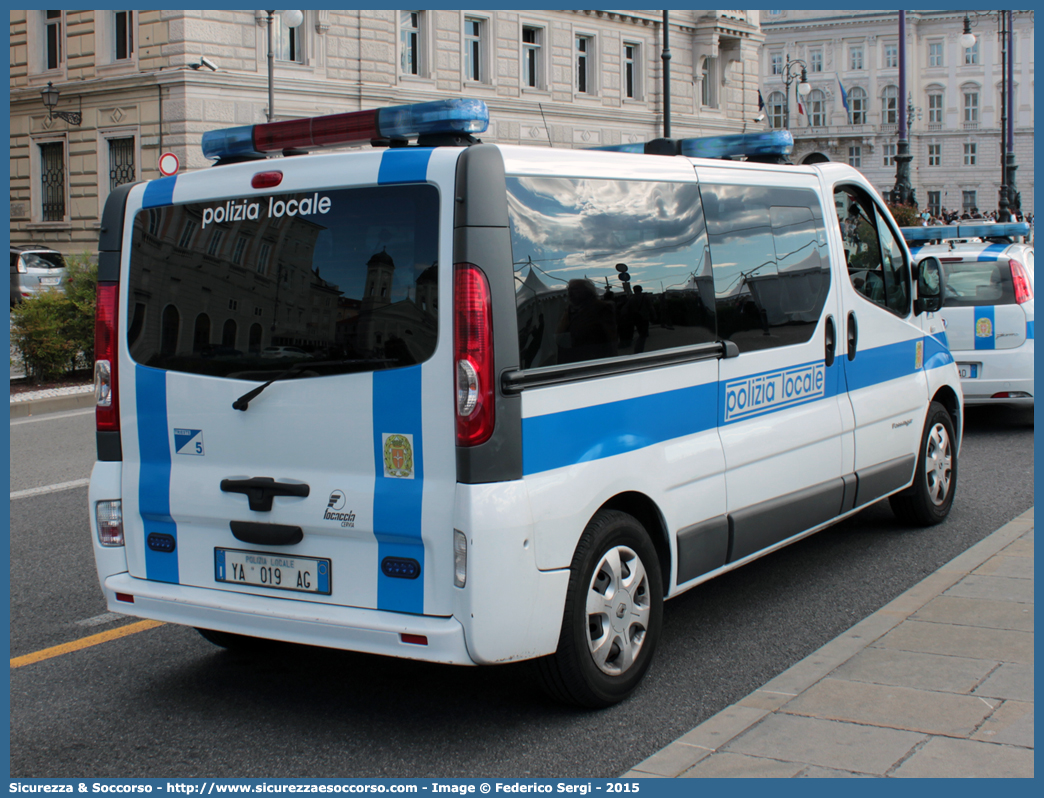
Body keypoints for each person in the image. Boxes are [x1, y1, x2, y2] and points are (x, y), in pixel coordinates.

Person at [556, 279, 617, 364]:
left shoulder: (601, 308)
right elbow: (560, 335)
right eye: (569, 289)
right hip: (571, 361)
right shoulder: (569, 310)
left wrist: (612, 360)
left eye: (575, 289)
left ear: (587, 291)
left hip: (595, 360)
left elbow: (611, 337)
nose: (571, 292)